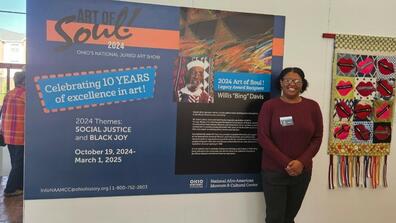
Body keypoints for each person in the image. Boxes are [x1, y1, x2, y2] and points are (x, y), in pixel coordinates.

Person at [257, 67, 323, 223]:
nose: (291, 84)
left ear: (302, 84)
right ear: (281, 83)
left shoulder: (312, 107)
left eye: (296, 81)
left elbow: (317, 137)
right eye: (287, 80)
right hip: (274, 172)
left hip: (302, 172)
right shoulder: (270, 106)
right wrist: (287, 163)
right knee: (275, 218)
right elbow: (263, 137)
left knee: (289, 218)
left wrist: (301, 162)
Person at [1, 71, 25, 197]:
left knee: (15, 163)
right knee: (19, 164)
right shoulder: (26, 95)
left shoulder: (8, 94)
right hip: (20, 135)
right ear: (24, 81)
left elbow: (2, 113)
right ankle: (10, 189)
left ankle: (19, 185)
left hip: (8, 135)